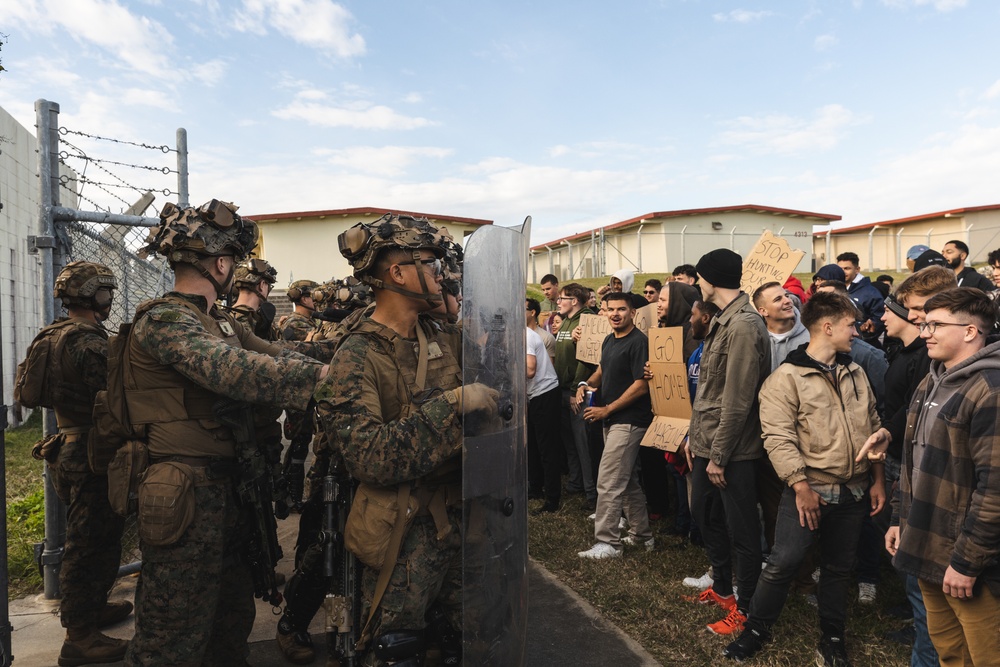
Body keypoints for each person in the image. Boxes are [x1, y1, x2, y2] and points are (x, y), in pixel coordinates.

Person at [123, 200, 329, 665]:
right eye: (232, 261)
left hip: (229, 488)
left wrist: (337, 368)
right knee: (173, 631)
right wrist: (321, 382)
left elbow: (275, 354)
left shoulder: (221, 321)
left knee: (230, 616)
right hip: (186, 491)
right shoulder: (164, 319)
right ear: (220, 263)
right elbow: (231, 369)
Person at [315, 213, 489, 667]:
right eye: (432, 263)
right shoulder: (357, 355)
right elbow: (372, 458)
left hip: (461, 519)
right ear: (397, 273)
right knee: (396, 648)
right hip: (402, 531)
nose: (442, 274)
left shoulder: (443, 336)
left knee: (467, 639)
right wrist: (452, 406)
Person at [723, 292, 887, 665]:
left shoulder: (855, 372)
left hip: (854, 492)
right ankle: (755, 630)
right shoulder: (785, 380)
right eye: (850, 325)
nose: (857, 332)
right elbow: (778, 439)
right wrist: (800, 487)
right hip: (810, 490)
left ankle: (832, 638)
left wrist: (877, 479)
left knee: (838, 567)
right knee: (785, 560)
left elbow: (873, 428)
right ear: (827, 327)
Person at [20, 262, 131, 665]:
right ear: (95, 295)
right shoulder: (90, 343)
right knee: (89, 544)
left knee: (94, 537)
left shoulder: (52, 335)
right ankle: (79, 636)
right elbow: (118, 398)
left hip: (65, 445)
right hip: (91, 451)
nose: (110, 298)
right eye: (106, 291)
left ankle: (91, 609)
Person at [886, 288, 1000, 666]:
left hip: (968, 562)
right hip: (926, 546)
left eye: (935, 324)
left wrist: (967, 563)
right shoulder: (930, 381)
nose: (924, 333)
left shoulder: (990, 390)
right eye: (924, 324)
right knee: (950, 653)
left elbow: (994, 490)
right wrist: (900, 521)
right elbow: (912, 461)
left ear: (970, 331)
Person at [684, 248, 771, 636]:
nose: (697, 283)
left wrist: (718, 456)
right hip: (707, 443)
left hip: (732, 451)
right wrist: (694, 438)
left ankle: (747, 608)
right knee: (706, 514)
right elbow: (709, 390)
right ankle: (722, 589)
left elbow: (737, 399)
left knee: (743, 532)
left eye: (700, 277)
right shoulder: (722, 319)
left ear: (710, 279)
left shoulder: (745, 325)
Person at [576, 293, 653, 558]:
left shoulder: (639, 342)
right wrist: (585, 384)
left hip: (630, 420)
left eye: (621, 309)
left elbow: (641, 385)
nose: (615, 314)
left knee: (608, 480)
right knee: (626, 479)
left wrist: (607, 408)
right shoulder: (610, 339)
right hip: (612, 419)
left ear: (633, 312)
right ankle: (642, 536)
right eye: (610, 309)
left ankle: (608, 542)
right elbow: (601, 369)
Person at [554, 282, 599, 511]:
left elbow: (586, 359)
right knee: (570, 443)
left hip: (577, 394)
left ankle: (592, 495)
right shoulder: (568, 320)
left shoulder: (587, 319)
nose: (558, 301)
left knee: (583, 445)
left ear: (574, 300)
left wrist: (575, 391)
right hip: (562, 390)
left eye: (562, 298)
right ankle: (575, 483)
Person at [281, 278, 321, 512]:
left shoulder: (301, 321)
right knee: (299, 443)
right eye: (314, 296)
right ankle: (291, 496)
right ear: (305, 299)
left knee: (300, 441)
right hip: (298, 393)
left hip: (301, 391)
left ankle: (290, 494)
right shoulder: (298, 324)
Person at [527, 316, 562, 513]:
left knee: (547, 448)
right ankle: (536, 488)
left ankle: (552, 498)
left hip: (545, 394)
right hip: (534, 395)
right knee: (533, 444)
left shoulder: (524, 336)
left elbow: (530, 370)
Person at [753, 281, 810, 372]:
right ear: (763, 311)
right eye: (778, 299)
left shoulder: (811, 335)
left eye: (786, 296)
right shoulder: (756, 340)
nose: (788, 301)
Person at [836, 252, 885, 347]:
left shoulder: (870, 292)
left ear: (857, 269)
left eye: (847, 268)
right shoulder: (835, 289)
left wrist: (868, 328)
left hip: (863, 344)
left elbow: (880, 318)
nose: (842, 272)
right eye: (840, 269)